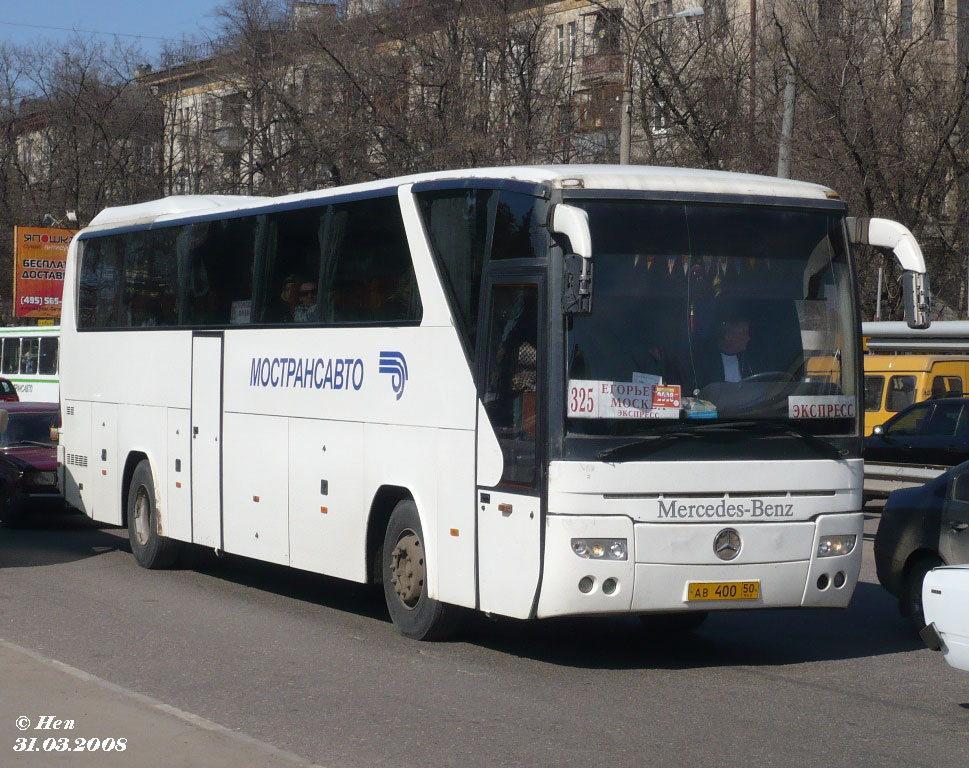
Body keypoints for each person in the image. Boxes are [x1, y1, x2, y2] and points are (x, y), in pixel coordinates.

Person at [692, 315, 755, 389]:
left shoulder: (749, 361)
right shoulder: (705, 361)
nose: (748, 338)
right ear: (728, 336)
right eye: (744, 332)